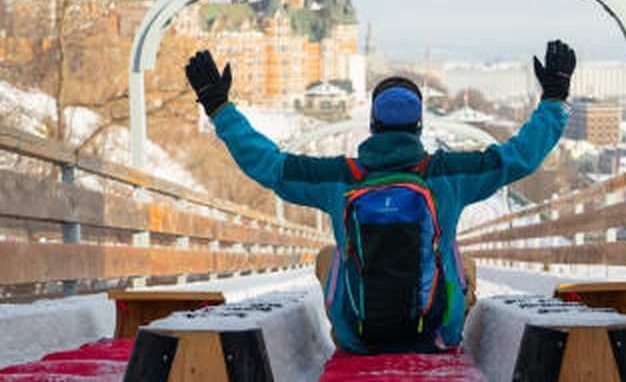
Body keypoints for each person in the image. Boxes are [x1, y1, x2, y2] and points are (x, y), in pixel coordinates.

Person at [185, 40, 576, 354]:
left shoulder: (340, 178)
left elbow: (269, 166)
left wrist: (219, 108)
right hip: (436, 334)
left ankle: (349, 329)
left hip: (359, 338)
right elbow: (518, 157)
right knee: (457, 255)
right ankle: (447, 327)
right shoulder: (448, 174)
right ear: (418, 126)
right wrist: (554, 99)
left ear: (373, 124)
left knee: (330, 255)